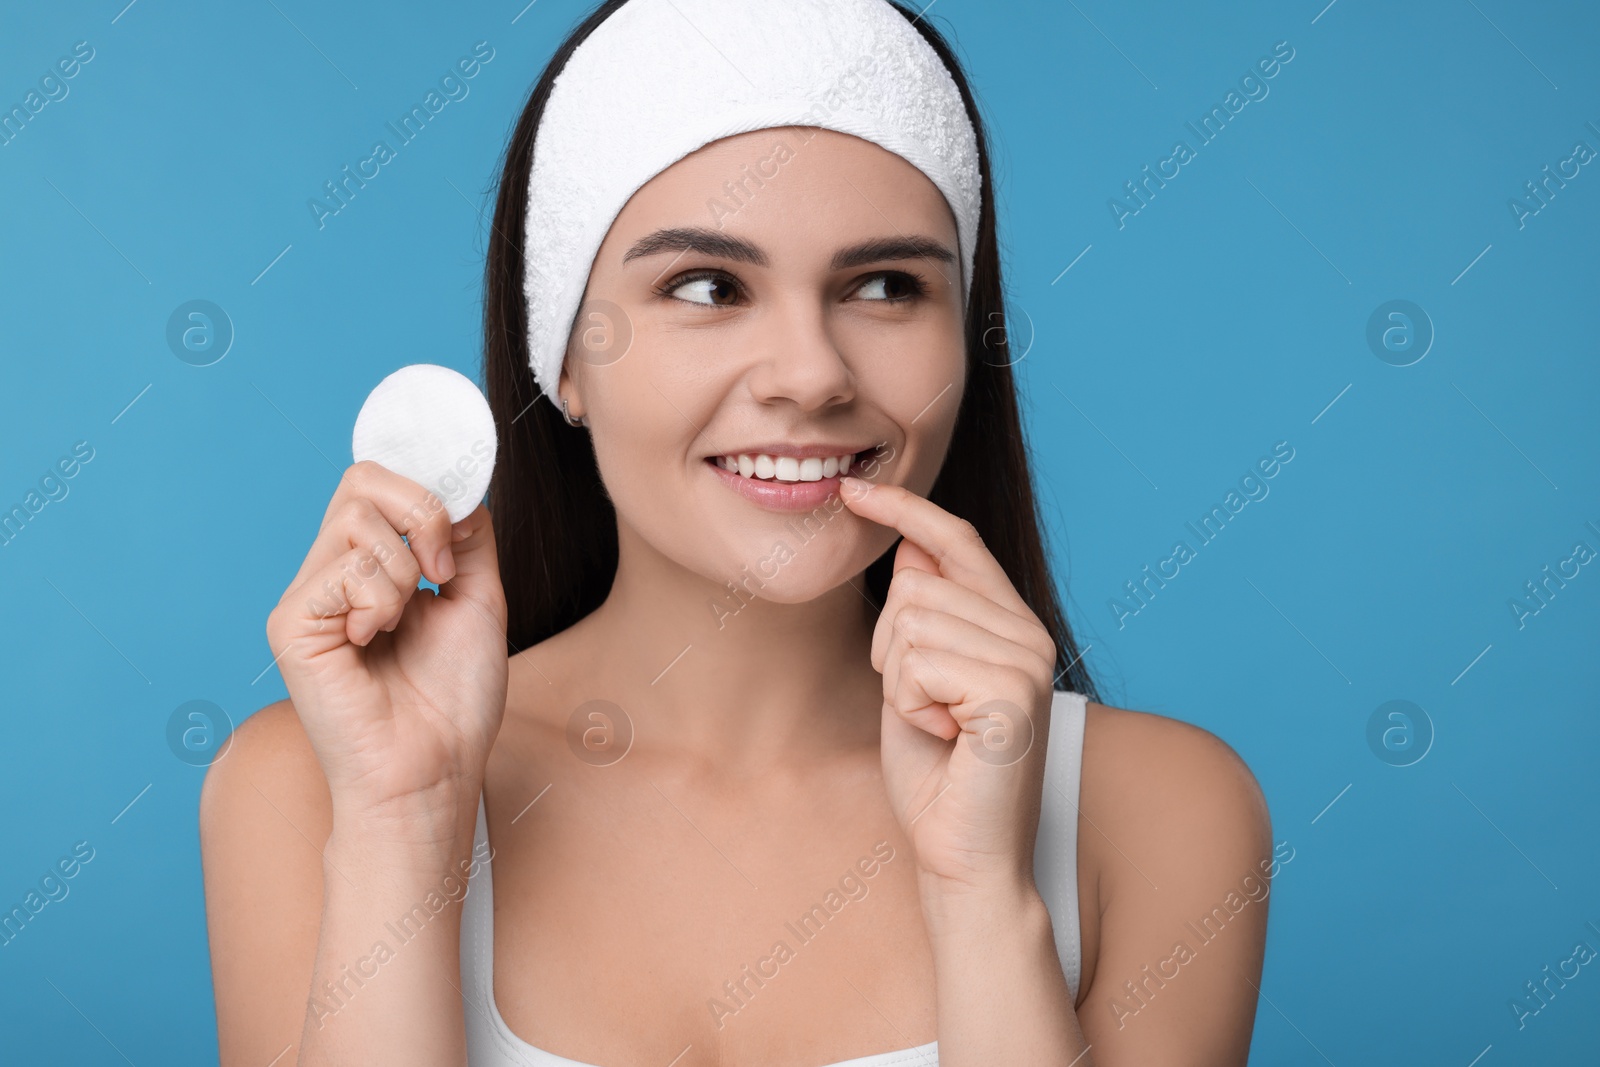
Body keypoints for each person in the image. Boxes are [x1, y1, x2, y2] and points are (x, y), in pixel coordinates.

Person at [200, 1, 1272, 1064]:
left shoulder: (1159, 815)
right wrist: (404, 822)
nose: (811, 374)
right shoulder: (310, 783)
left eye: (887, 285)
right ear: (562, 356)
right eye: (708, 286)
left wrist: (981, 894)